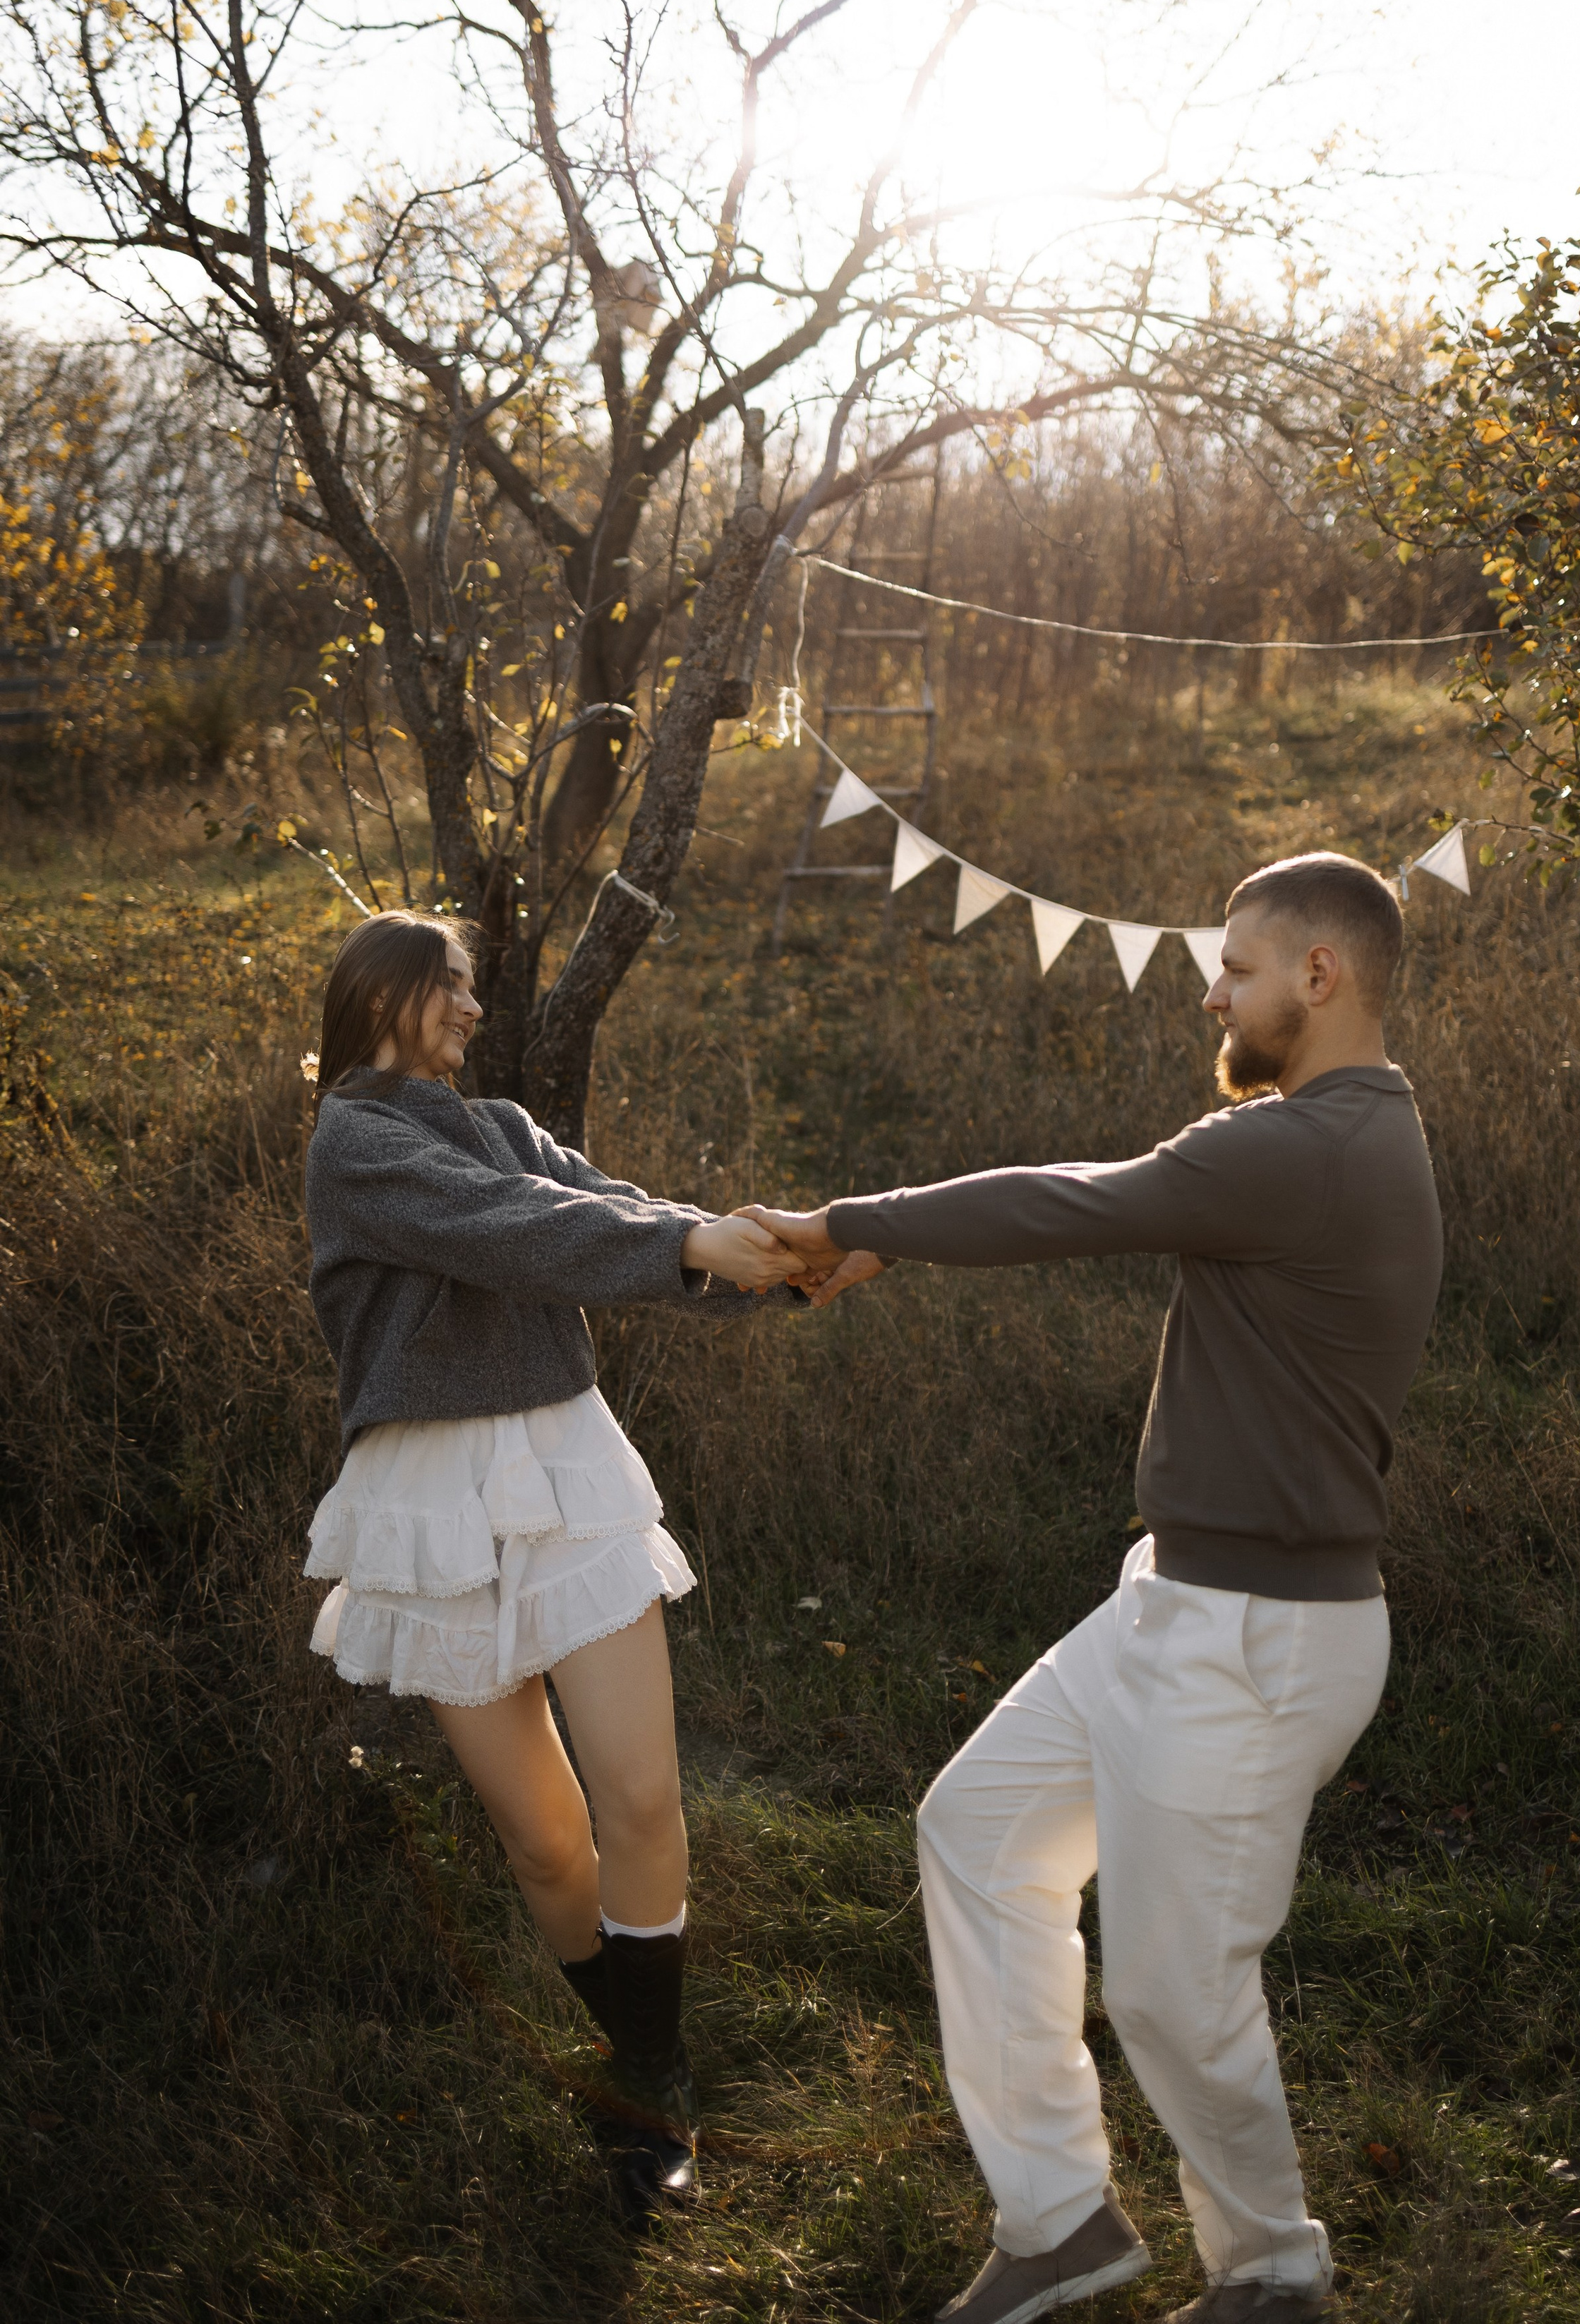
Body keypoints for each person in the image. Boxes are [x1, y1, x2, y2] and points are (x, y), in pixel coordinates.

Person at [742, 852, 1445, 2324]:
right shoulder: (1318, 1133)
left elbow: (1072, 1200)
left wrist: (851, 1220)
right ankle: (1058, 2222)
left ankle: (1270, 2273)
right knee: (980, 1835)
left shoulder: (1307, 1146)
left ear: (1318, 978)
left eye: (1238, 969)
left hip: (1258, 1642)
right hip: (1172, 1604)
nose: (1214, 993)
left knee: (1173, 1996)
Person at [301, 909, 808, 2217]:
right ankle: (637, 2047)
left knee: (638, 1800)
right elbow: (505, 1227)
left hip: (562, 1464)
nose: (473, 1007)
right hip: (425, 1495)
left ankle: (650, 2080)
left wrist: (759, 1252)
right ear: (382, 996)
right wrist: (690, 1246)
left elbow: (601, 1206)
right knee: (541, 1842)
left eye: (472, 986)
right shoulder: (353, 1146)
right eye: (453, 987)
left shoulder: (503, 1121)